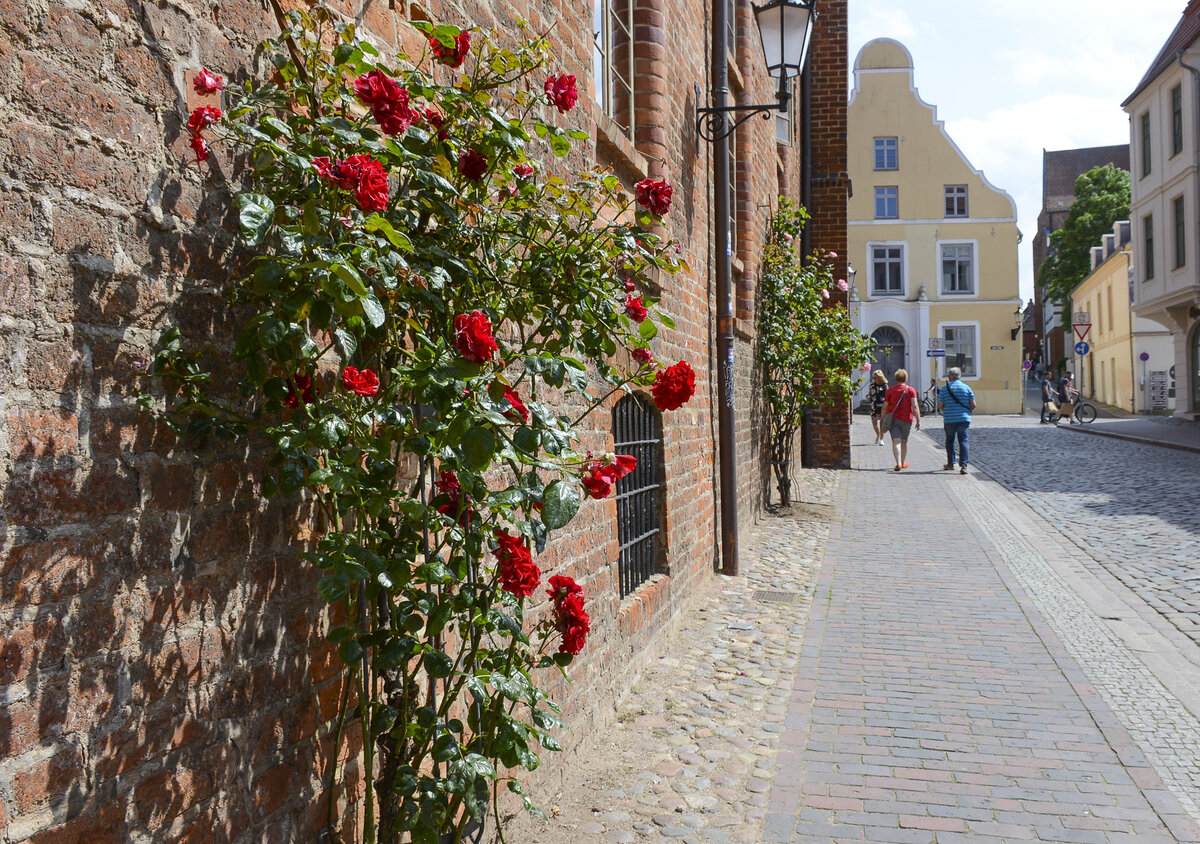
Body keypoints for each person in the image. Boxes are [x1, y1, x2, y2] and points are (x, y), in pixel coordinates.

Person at [938, 366, 976, 474]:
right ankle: (964, 465)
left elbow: (940, 405)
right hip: (964, 419)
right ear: (960, 376)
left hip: (949, 419)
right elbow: (973, 404)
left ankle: (951, 463)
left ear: (949, 376)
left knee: (950, 441)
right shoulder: (967, 387)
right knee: (963, 441)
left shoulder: (945, 389)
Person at [883, 368, 920, 471]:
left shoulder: (891, 390)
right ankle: (903, 463)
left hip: (893, 419)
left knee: (896, 441)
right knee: (904, 441)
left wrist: (883, 417)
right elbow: (915, 406)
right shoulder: (911, 390)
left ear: (895, 378)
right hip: (907, 420)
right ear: (906, 378)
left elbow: (885, 406)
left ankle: (898, 463)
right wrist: (918, 420)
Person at [867, 370, 889, 445]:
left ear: (880, 377)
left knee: (882, 423)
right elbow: (870, 393)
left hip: (882, 406)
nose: (874, 379)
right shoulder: (872, 385)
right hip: (873, 406)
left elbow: (888, 396)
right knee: (874, 424)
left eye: (875, 377)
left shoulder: (884, 385)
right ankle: (878, 434)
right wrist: (868, 395)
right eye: (873, 377)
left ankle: (881, 439)